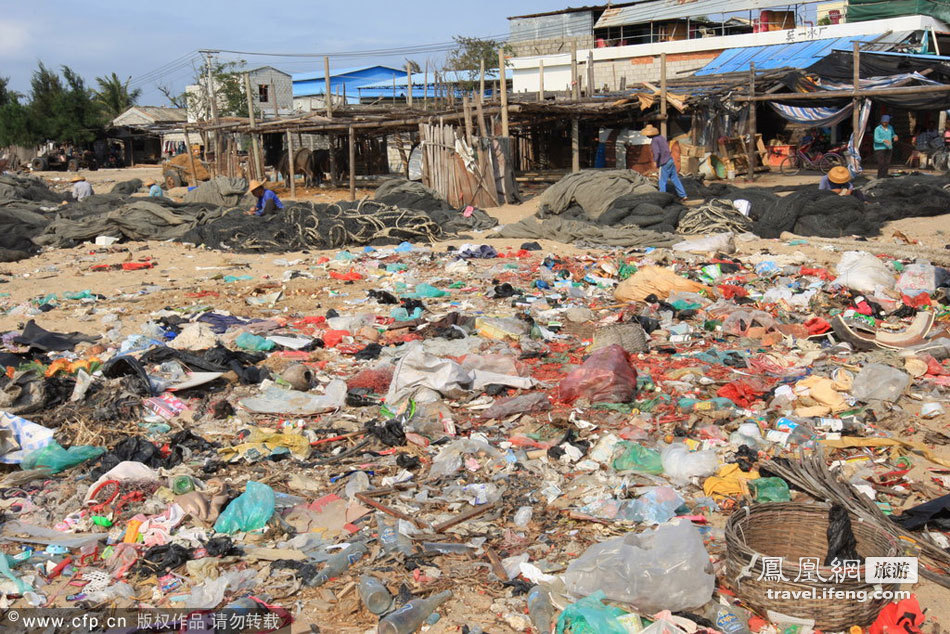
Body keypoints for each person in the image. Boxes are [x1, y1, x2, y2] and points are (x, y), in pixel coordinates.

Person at [642, 124, 687, 201]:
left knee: (662, 181)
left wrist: (655, 162)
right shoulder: (661, 138)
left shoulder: (654, 141)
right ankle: (683, 195)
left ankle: (662, 198)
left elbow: (657, 152)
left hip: (664, 162)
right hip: (670, 160)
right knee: (675, 179)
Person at [873, 115, 898, 179]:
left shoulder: (890, 127)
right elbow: (876, 139)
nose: (885, 123)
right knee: (881, 163)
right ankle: (880, 176)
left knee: (887, 162)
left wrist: (895, 136)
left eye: (886, 122)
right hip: (880, 148)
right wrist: (884, 140)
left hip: (889, 147)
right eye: (884, 122)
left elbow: (893, 134)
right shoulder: (877, 129)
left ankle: (885, 176)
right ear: (881, 122)